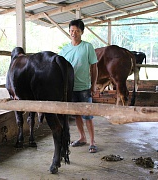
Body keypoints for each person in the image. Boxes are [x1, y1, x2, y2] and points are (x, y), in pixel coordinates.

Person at [59, 19, 98, 153]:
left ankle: (92, 142)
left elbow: (94, 67)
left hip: (84, 87)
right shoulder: (64, 49)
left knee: (88, 115)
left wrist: (93, 85)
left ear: (82, 32)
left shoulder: (87, 47)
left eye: (76, 31)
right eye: (71, 31)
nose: (73, 33)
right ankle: (82, 138)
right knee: (76, 115)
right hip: (70, 88)